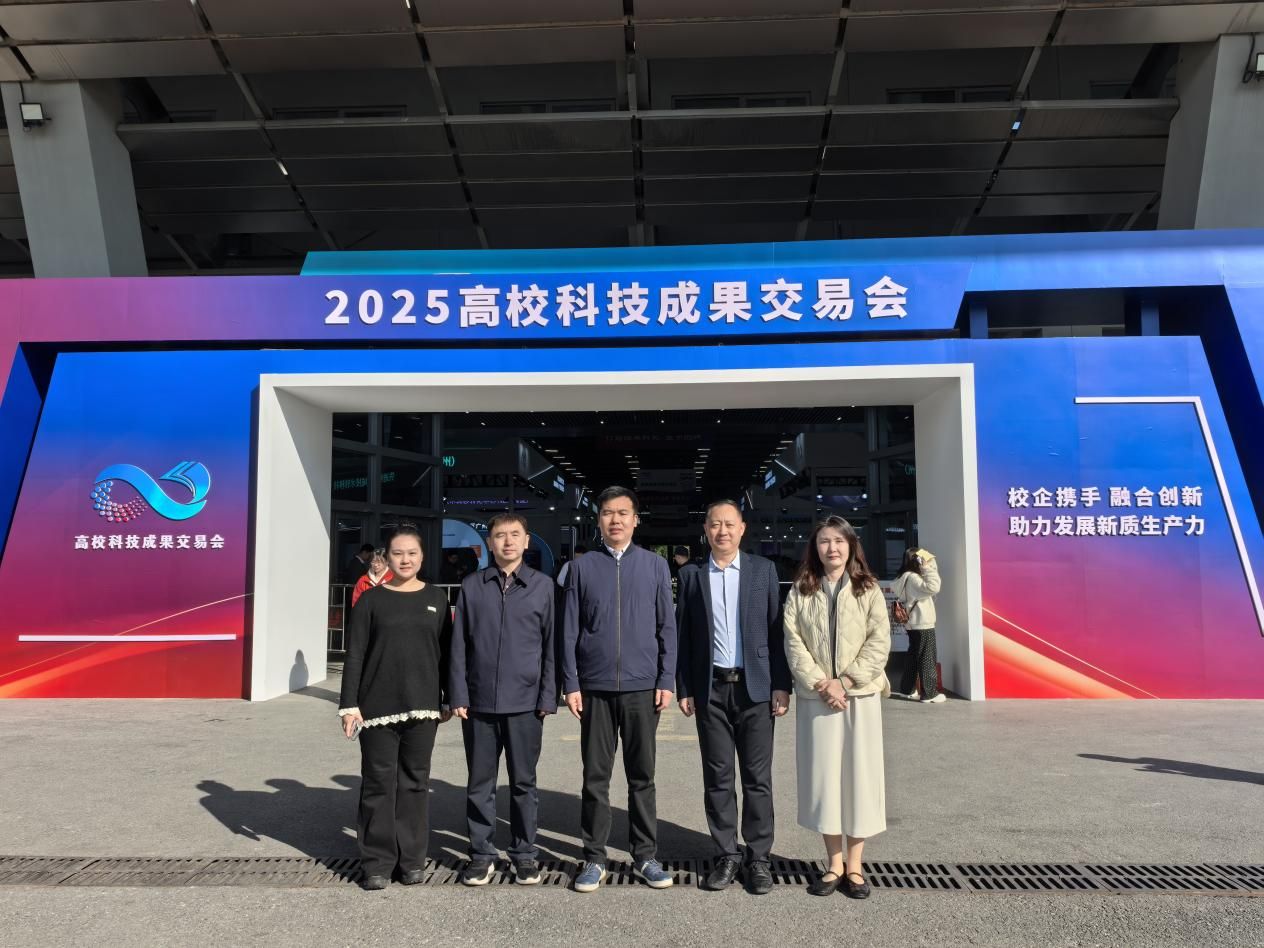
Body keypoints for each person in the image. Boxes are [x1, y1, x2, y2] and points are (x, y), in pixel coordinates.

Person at [561, 487, 677, 893]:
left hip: (643, 687)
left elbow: (667, 626)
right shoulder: (581, 568)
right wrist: (571, 682)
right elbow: (569, 628)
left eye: (623, 513)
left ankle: (645, 855)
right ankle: (594, 858)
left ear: (635, 520)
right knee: (595, 777)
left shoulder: (655, 565)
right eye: (608, 513)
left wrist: (666, 679)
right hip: (594, 686)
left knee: (642, 776)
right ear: (598, 520)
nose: (616, 520)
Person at [676, 500, 791, 895]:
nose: (722, 531)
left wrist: (781, 683)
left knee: (758, 778)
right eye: (714, 524)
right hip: (710, 689)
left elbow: (776, 632)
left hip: (755, 689)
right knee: (718, 777)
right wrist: (685, 687)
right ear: (705, 530)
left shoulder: (763, 570)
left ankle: (758, 858)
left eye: (729, 524)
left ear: (742, 528)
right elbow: (684, 636)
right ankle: (727, 853)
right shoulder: (691, 576)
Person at [338, 524, 453, 891]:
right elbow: (355, 654)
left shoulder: (436, 598)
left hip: (423, 707)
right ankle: (377, 863)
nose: (405, 560)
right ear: (386, 557)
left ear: (422, 556)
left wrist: (449, 697)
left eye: (412, 553)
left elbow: (447, 654)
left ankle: (412, 860)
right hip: (376, 708)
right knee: (378, 783)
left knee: (415, 783)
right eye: (398, 553)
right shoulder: (371, 600)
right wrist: (349, 705)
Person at [783, 516, 890, 899]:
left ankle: (856, 866)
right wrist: (821, 683)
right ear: (815, 548)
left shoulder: (868, 589)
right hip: (818, 699)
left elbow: (879, 641)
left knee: (860, 779)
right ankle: (834, 863)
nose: (832, 548)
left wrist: (844, 682)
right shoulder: (801, 589)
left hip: (859, 697)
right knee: (825, 780)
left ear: (850, 545)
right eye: (824, 541)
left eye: (839, 541)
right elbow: (793, 641)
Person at [448, 512, 557, 887]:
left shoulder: (543, 587)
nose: (507, 541)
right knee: (480, 784)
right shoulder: (472, 586)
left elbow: (551, 647)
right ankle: (481, 854)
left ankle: (524, 854)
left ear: (527, 541)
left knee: (524, 784)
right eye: (499, 535)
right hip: (478, 704)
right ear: (489, 543)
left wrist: (548, 696)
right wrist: (458, 693)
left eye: (515, 535)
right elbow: (458, 645)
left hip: (526, 704)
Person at [890, 547, 944, 704]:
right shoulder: (913, 578)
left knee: (913, 657)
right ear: (917, 562)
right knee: (927, 657)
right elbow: (934, 586)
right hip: (922, 623)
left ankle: (907, 689)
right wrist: (926, 568)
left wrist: (928, 564)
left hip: (913, 623)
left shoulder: (904, 577)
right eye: (923, 559)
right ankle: (929, 693)